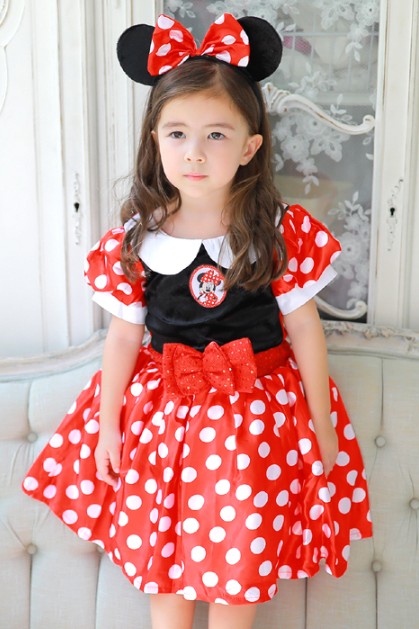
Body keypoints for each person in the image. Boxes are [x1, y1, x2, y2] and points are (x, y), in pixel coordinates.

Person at [22, 13, 372, 629]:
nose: (195, 152)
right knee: (166, 559)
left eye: (216, 134)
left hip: (255, 422)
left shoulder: (276, 232)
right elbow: (124, 336)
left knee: (240, 559)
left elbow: (304, 329)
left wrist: (321, 424)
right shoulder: (140, 239)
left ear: (250, 147)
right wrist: (108, 426)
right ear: (155, 139)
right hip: (164, 421)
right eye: (178, 133)